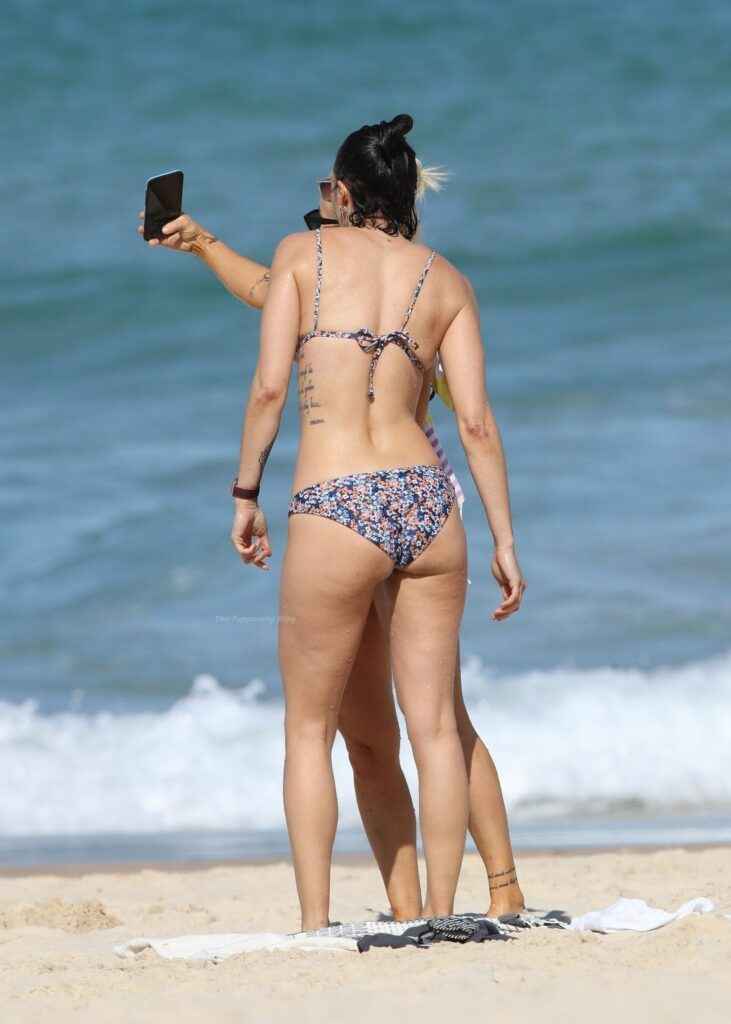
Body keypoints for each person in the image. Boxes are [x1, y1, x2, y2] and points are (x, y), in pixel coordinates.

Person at [137, 116, 526, 928]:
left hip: (337, 503)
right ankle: (441, 914)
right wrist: (503, 539)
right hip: (427, 503)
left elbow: (269, 388)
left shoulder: (302, 254)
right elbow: (476, 424)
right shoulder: (447, 280)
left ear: (342, 192)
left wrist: (244, 492)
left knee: (308, 730)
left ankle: (315, 921)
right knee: (437, 729)